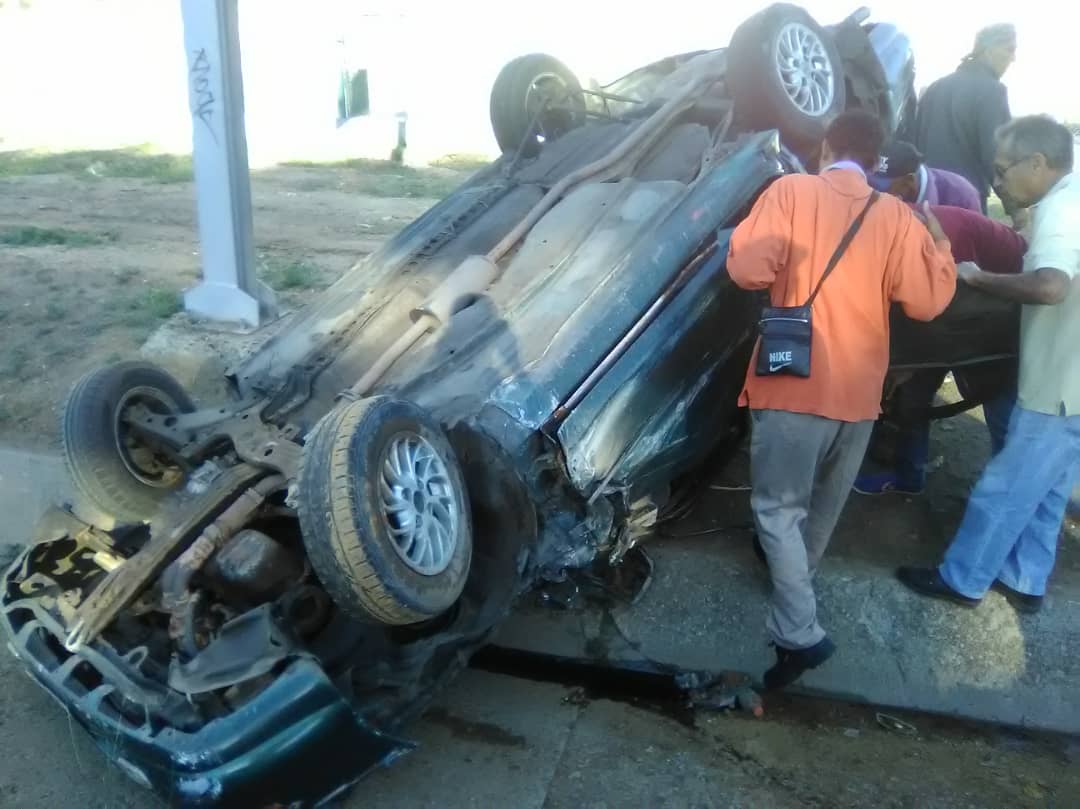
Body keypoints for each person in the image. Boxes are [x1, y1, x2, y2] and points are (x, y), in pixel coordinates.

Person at [726, 110, 956, 690]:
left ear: (827, 148)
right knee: (822, 511)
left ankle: (801, 634)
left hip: (792, 381)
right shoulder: (898, 216)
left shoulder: (791, 191)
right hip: (859, 393)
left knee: (778, 510)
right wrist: (942, 245)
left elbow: (748, 271)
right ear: (878, 161)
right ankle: (791, 605)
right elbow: (927, 303)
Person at [898, 115, 1080, 615]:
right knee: (1048, 486)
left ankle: (963, 579)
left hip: (1061, 377)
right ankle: (1025, 578)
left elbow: (1050, 286)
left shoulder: (1062, 208)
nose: (997, 182)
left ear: (1037, 163)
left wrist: (978, 278)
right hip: (1070, 374)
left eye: (1002, 171)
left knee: (1008, 484)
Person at [853, 204, 1027, 495]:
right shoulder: (894, 230)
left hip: (1002, 319)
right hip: (963, 310)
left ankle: (1010, 492)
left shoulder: (942, 241)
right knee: (914, 393)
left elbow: (937, 312)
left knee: (997, 399)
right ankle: (909, 477)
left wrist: (904, 364)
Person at [914, 23, 1016, 214]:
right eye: (1009, 50)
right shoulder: (993, 91)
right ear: (989, 50)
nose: (1013, 58)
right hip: (966, 202)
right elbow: (997, 157)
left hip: (926, 198)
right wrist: (1014, 207)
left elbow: (915, 143)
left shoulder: (936, 87)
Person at [869, 141, 982, 212]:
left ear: (909, 181)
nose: (874, 192)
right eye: (872, 184)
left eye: (882, 188)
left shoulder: (962, 197)